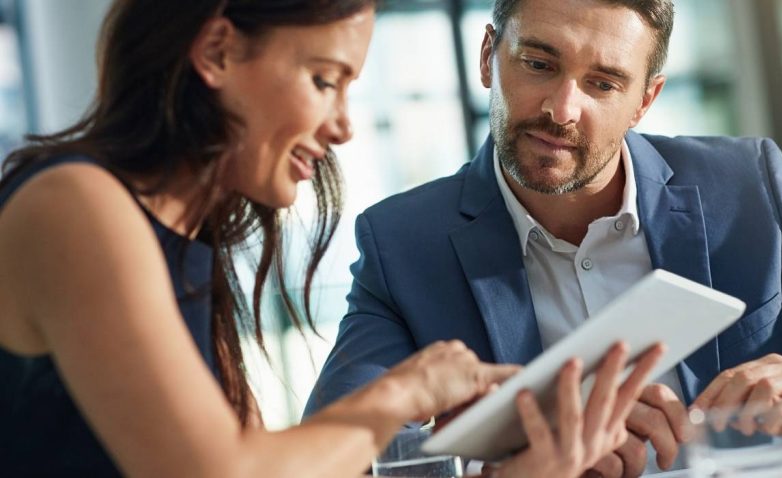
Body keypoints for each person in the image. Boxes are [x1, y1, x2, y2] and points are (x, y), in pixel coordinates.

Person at [0, 0, 666, 476]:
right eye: (324, 80)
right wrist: (407, 392)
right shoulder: (76, 206)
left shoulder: (181, 240)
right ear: (217, 50)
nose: (344, 126)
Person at [305, 0, 782, 476]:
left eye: (602, 83)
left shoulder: (747, 190)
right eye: (538, 63)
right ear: (488, 56)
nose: (562, 108)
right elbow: (332, 455)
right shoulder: (403, 243)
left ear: (645, 100)